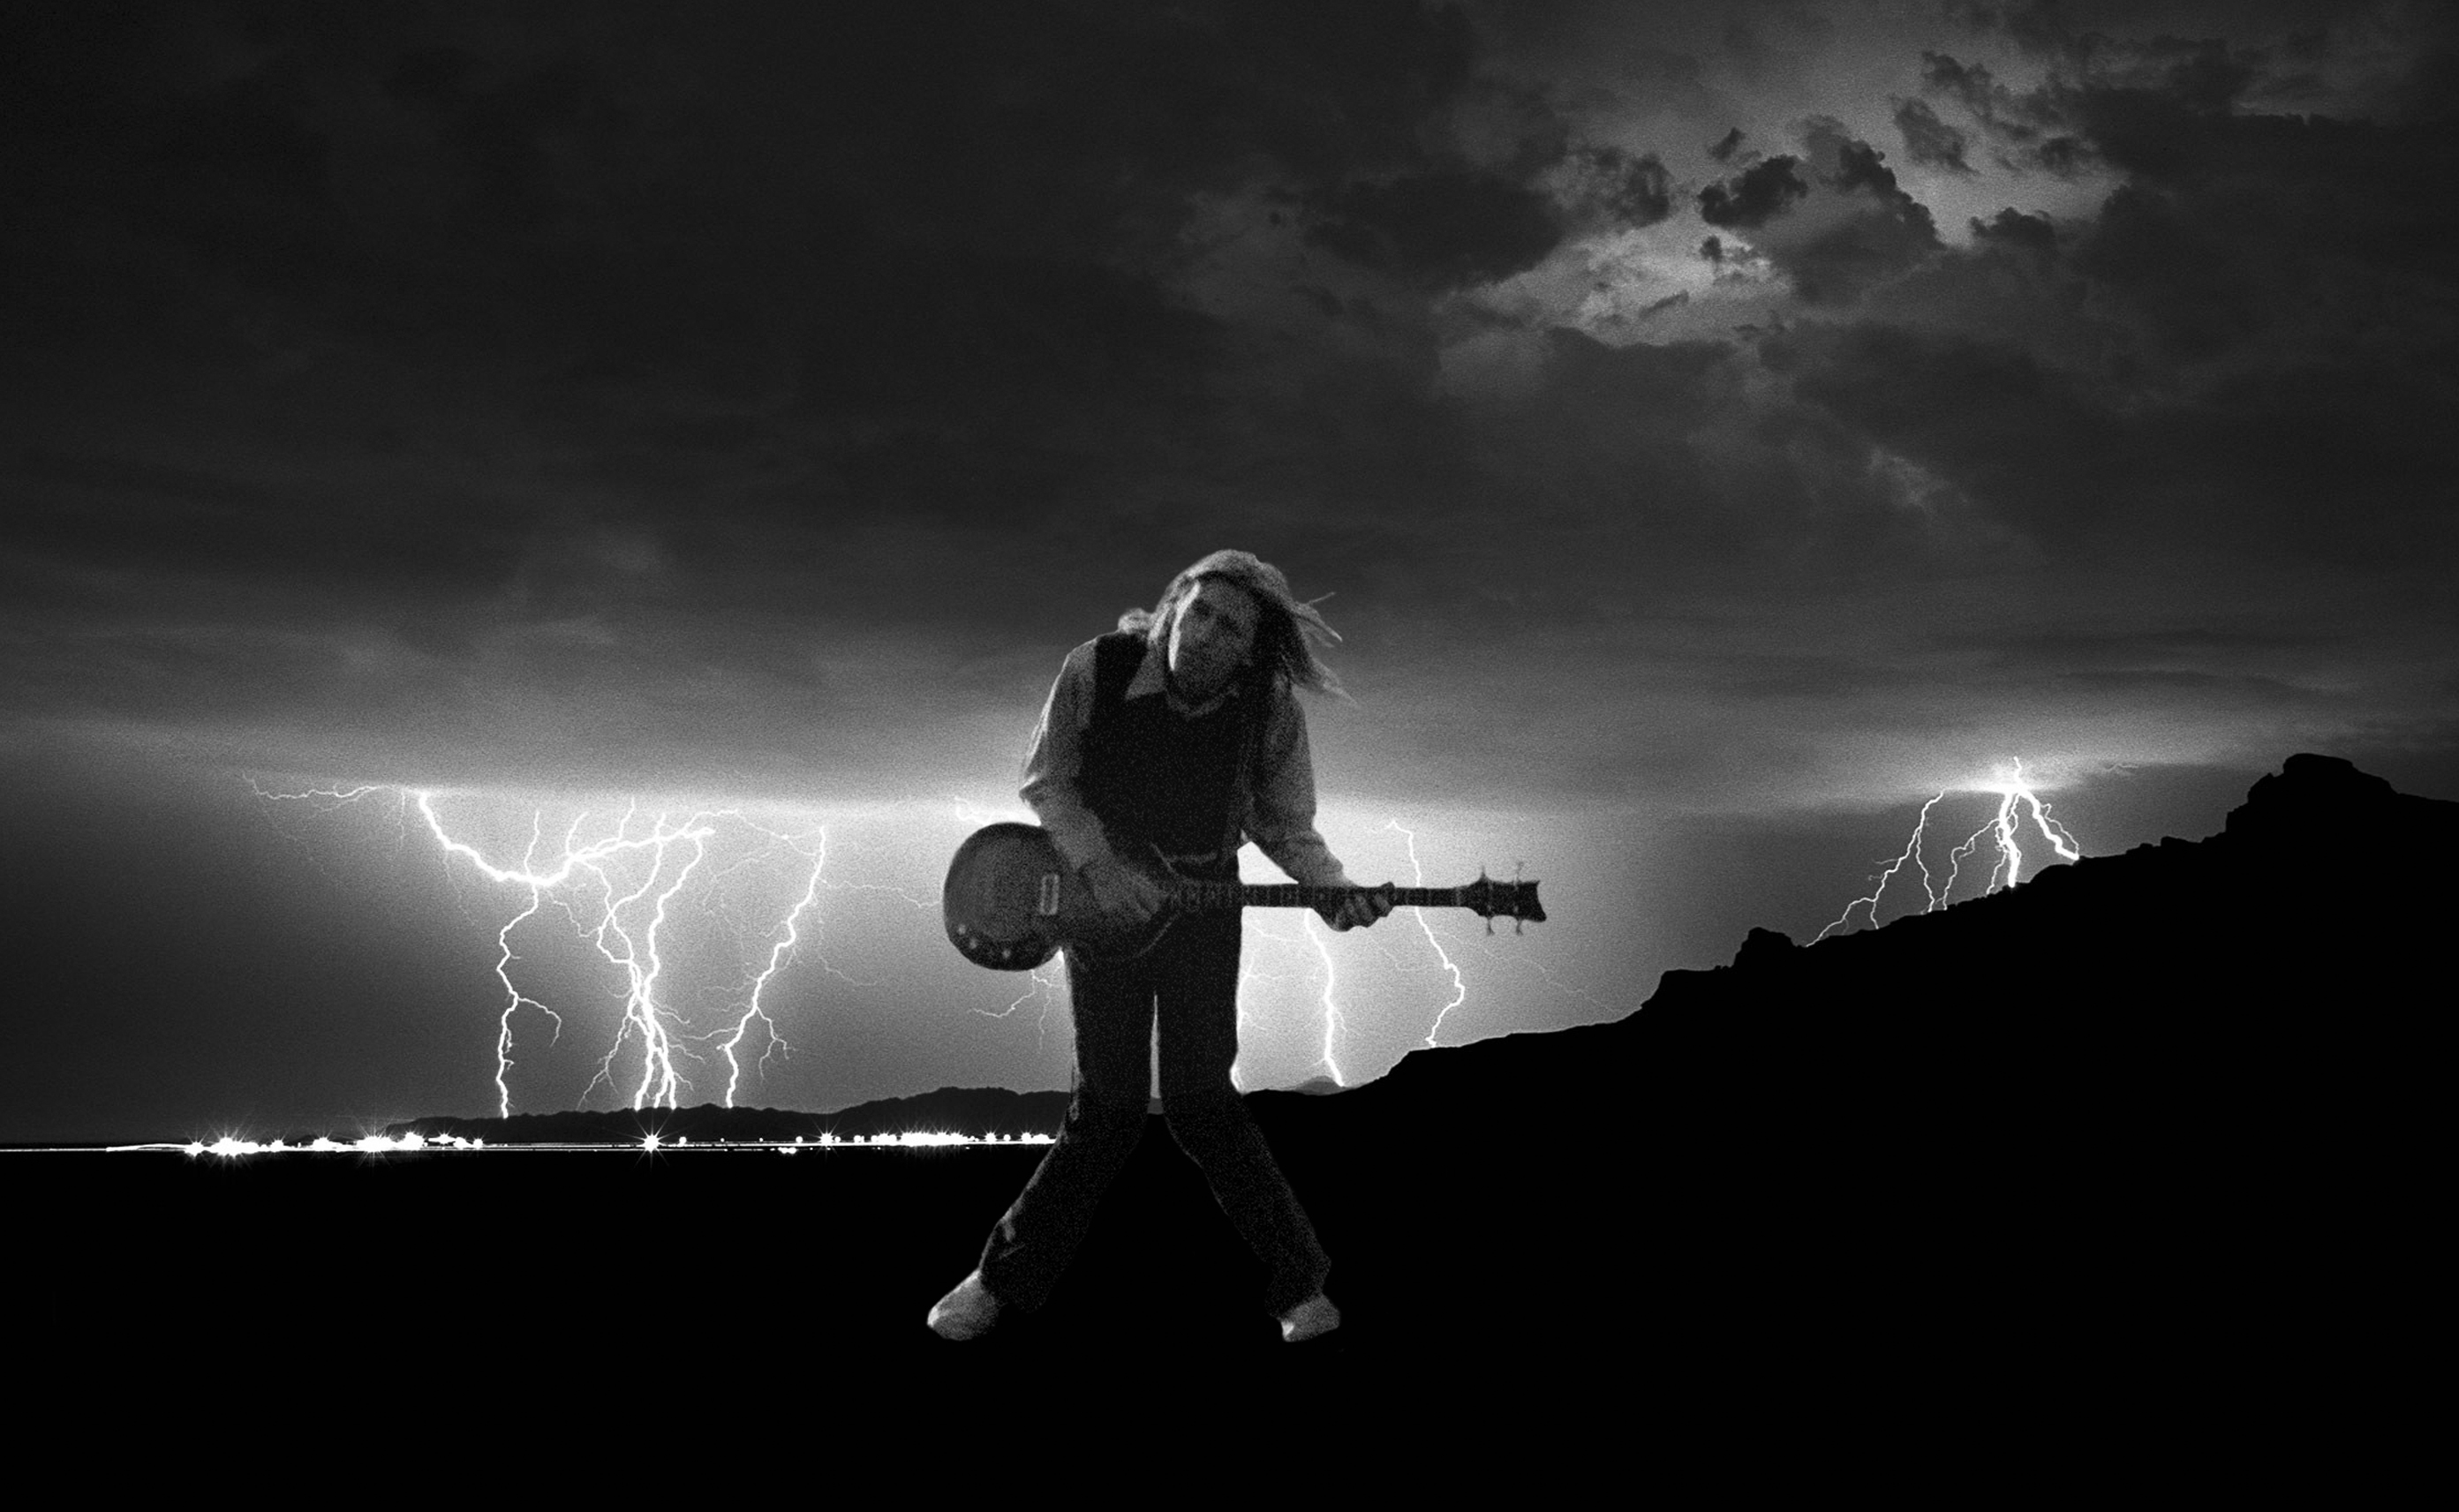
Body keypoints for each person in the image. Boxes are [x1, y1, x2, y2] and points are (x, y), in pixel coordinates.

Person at [928, 549, 1392, 1344]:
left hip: (1204, 915)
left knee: (1202, 1101)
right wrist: (1099, 868)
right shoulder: (1098, 668)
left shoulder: (1268, 708)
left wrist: (1333, 890)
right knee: (1105, 1108)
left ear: (1251, 647)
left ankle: (1298, 1289)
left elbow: (1284, 824)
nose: (1206, 633)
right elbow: (1047, 779)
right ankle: (998, 1280)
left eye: (1230, 626)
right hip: (1096, 908)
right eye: (1199, 610)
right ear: (1173, 605)